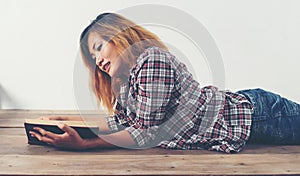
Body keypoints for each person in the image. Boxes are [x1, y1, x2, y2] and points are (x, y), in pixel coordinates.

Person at [30, 13, 300, 153]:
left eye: (100, 47)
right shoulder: (125, 83)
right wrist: (68, 121)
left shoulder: (152, 61)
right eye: (93, 56)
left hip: (260, 115)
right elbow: (124, 124)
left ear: (120, 35)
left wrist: (86, 145)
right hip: (249, 120)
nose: (98, 59)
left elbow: (147, 134)